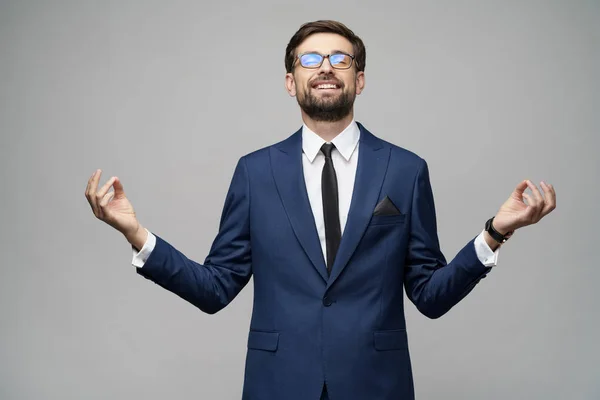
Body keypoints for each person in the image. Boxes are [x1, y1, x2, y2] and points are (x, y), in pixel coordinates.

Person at [85, 20, 556, 400]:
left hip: (377, 385)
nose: (326, 67)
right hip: (278, 384)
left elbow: (431, 296)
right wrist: (136, 233)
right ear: (292, 82)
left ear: (360, 78)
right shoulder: (255, 172)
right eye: (311, 59)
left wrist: (495, 232)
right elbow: (215, 287)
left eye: (340, 59)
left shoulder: (406, 170)